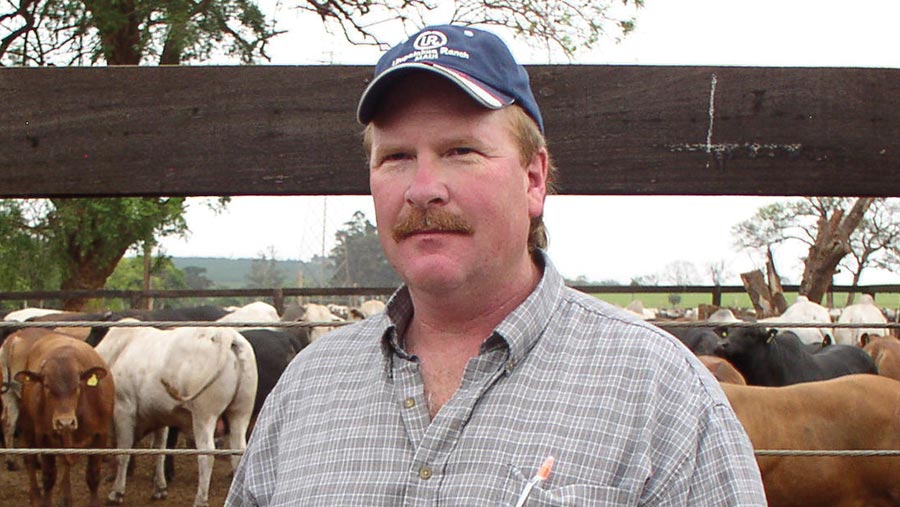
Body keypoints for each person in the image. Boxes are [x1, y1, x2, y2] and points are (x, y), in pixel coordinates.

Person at [226, 24, 766, 506]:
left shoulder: (661, 393)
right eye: (395, 157)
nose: (423, 189)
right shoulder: (306, 388)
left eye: (462, 151)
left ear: (533, 179)